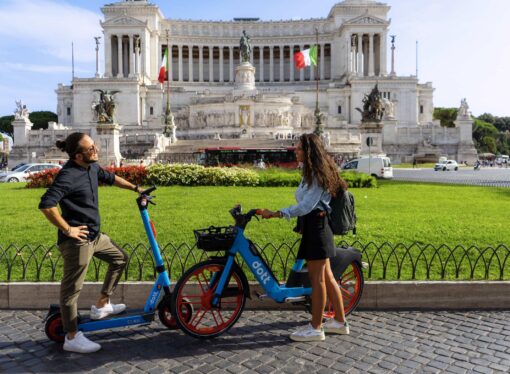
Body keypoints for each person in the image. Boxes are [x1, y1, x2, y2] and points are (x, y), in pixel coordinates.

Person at [39, 132, 143, 353]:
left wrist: (136, 189)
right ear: (78, 156)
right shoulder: (67, 175)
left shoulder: (92, 167)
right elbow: (47, 205)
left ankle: (102, 305)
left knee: (120, 259)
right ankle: (72, 337)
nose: (96, 150)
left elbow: (112, 178)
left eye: (94, 146)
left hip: (95, 236)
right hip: (78, 242)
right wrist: (68, 229)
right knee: (71, 291)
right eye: (91, 149)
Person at [260, 133, 349, 342]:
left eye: (299, 148)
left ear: (308, 152)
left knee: (317, 280)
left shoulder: (318, 176)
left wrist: (276, 213)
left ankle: (316, 327)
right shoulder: (311, 173)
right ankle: (339, 321)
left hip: (317, 228)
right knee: (327, 277)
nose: (296, 151)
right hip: (315, 226)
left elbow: (306, 206)